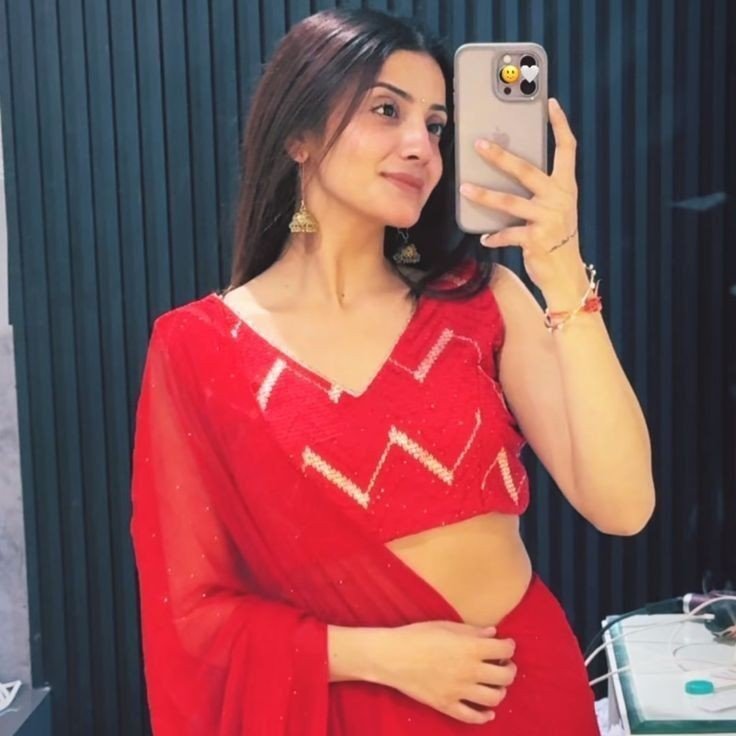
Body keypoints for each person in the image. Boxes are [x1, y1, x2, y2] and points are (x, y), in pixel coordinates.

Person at [130, 8, 655, 735]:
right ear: (298, 135)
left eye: (436, 126)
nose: (422, 147)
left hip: (519, 692)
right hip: (346, 709)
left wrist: (562, 270)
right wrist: (380, 657)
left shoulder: (483, 302)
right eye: (387, 111)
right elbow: (192, 616)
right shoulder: (197, 347)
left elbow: (624, 506)